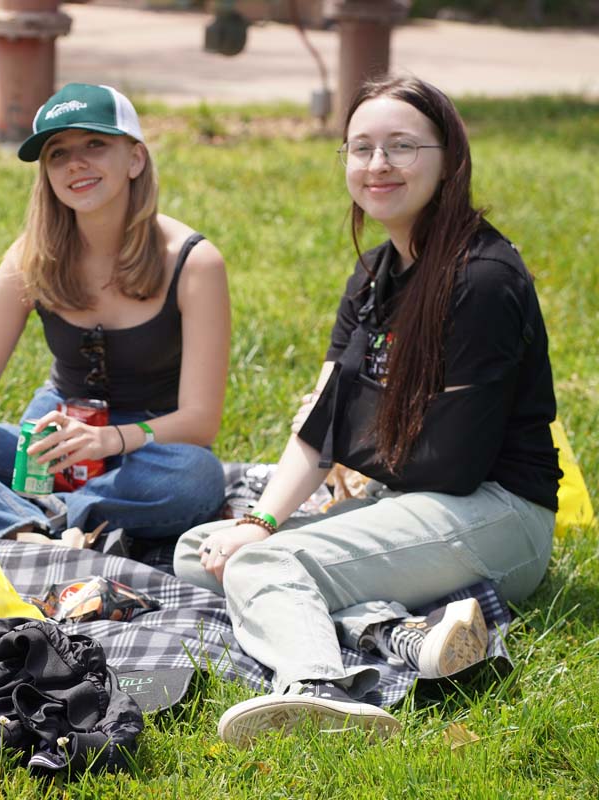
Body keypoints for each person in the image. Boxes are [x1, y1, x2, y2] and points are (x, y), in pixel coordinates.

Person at [174, 75, 561, 747]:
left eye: (402, 146)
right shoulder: (375, 273)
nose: (378, 165)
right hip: (409, 495)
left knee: (262, 567)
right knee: (202, 551)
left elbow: (453, 462)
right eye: (361, 148)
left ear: (449, 160)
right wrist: (263, 519)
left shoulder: (483, 280)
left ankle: (316, 689)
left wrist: (344, 437)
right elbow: (319, 427)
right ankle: (398, 632)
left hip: (496, 513)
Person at [0, 83, 230, 546]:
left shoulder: (193, 262)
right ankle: (37, 523)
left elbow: (200, 420)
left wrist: (111, 439)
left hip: (147, 453)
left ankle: (24, 516)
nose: (76, 164)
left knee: (198, 479)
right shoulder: (31, 257)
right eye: (57, 153)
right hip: (49, 448)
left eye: (95, 144)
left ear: (135, 159)